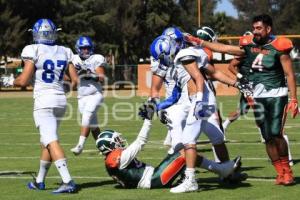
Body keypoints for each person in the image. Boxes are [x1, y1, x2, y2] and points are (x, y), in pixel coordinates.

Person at [185, 14, 298, 185]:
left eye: (259, 28)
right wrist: (200, 42)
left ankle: (287, 170)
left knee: (276, 133)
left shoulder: (279, 45)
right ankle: (279, 172)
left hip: (277, 94)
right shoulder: (248, 44)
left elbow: (289, 74)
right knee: (267, 136)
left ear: (268, 29)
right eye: (254, 28)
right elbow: (223, 49)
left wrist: (294, 98)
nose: (255, 31)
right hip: (256, 96)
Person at [150, 35, 251, 193]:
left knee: (187, 141)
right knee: (216, 136)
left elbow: (198, 78)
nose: (163, 60)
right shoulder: (195, 51)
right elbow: (215, 73)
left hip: (200, 100)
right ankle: (226, 171)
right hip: (203, 99)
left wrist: (198, 99)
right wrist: (237, 83)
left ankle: (191, 180)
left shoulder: (184, 55)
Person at [95, 102, 241, 189]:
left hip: (155, 175)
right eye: (116, 141)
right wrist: (148, 119)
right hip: (155, 179)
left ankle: (220, 170)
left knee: (180, 150)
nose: (120, 142)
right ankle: (222, 170)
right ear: (109, 146)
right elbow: (141, 141)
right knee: (185, 151)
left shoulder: (113, 161)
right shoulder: (119, 158)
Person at [12, 19, 78, 193]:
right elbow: (75, 81)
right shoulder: (65, 50)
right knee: (46, 141)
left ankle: (68, 181)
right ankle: (39, 181)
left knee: (50, 140)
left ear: (35, 33)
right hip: (60, 100)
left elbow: (23, 81)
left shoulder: (32, 49)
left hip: (44, 101)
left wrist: (12, 80)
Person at [70, 36, 106, 155]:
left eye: (87, 48)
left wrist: (90, 75)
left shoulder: (96, 58)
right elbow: (71, 76)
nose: (85, 50)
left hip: (95, 94)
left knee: (86, 117)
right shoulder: (73, 59)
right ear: (78, 49)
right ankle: (104, 148)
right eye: (83, 48)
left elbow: (102, 78)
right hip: (82, 97)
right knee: (93, 126)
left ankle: (80, 146)